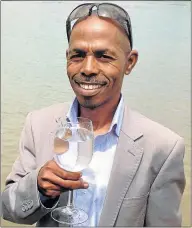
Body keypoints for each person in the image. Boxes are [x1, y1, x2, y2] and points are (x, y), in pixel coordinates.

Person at [2, 2, 186, 227]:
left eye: (103, 56)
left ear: (130, 62)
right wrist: (39, 189)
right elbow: (9, 208)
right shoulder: (38, 124)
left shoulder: (162, 148)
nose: (88, 68)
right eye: (78, 55)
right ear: (67, 58)